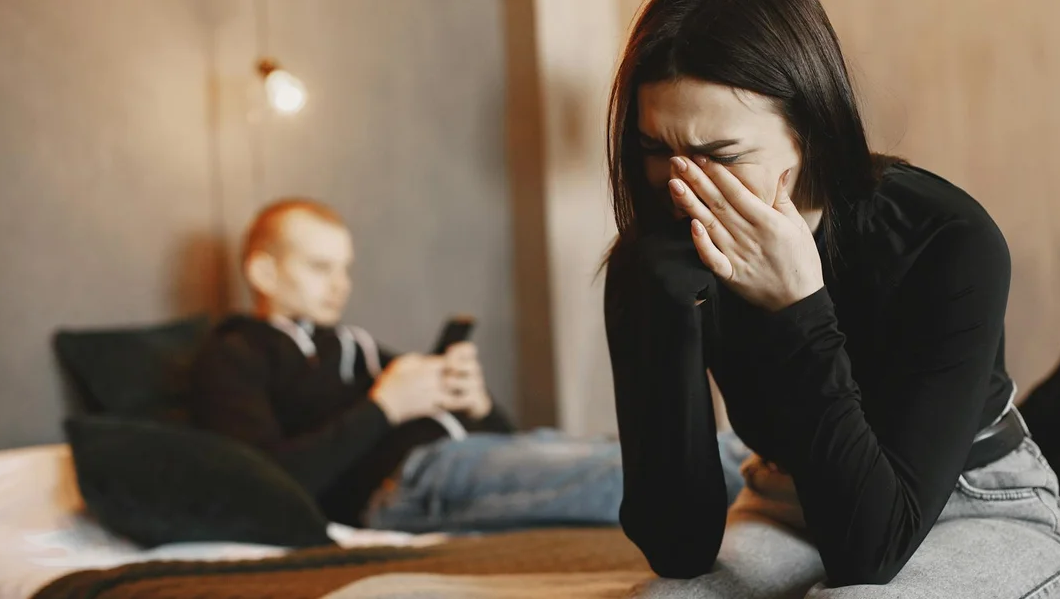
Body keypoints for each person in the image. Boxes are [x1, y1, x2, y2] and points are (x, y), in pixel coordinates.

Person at [602, 0, 1060, 597]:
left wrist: (797, 308)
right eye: (655, 149)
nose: (683, 185)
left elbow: (870, 554)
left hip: (976, 496)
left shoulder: (946, 239)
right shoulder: (652, 259)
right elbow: (678, 549)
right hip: (787, 497)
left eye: (721, 157)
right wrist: (665, 317)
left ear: (810, 132)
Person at [188, 198, 750, 533]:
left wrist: (474, 404)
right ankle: (773, 481)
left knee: (628, 448)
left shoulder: (352, 345)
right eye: (319, 267)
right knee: (638, 474)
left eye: (344, 268)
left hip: (459, 456)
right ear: (262, 273)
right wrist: (384, 407)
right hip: (404, 483)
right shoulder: (235, 353)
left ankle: (769, 464)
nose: (341, 284)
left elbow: (498, 437)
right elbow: (264, 484)